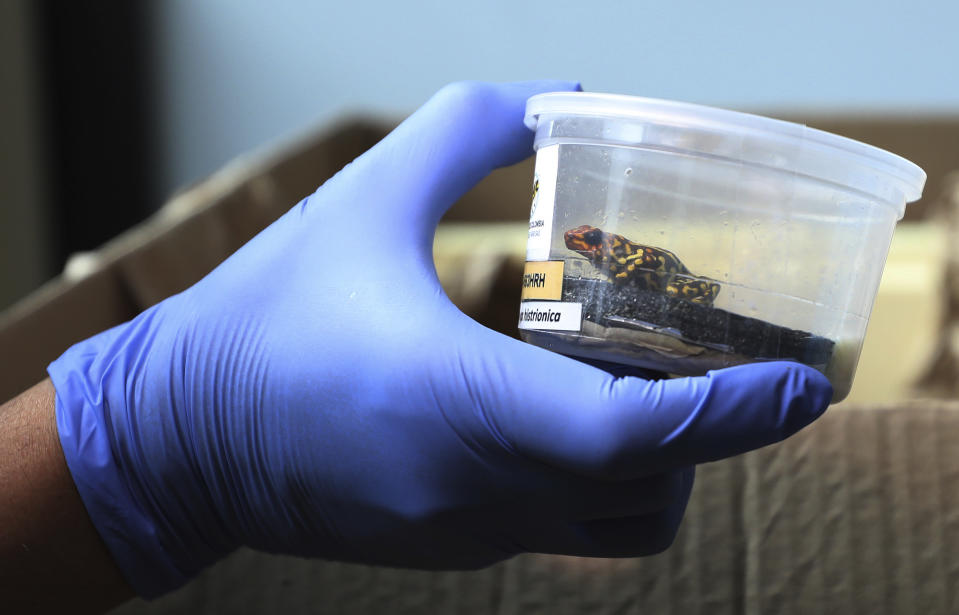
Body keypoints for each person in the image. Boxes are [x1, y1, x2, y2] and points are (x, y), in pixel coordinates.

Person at [0, 81, 832, 613]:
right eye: (581, 239)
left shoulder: (631, 266)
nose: (582, 242)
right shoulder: (593, 258)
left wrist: (135, 453)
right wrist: (160, 442)